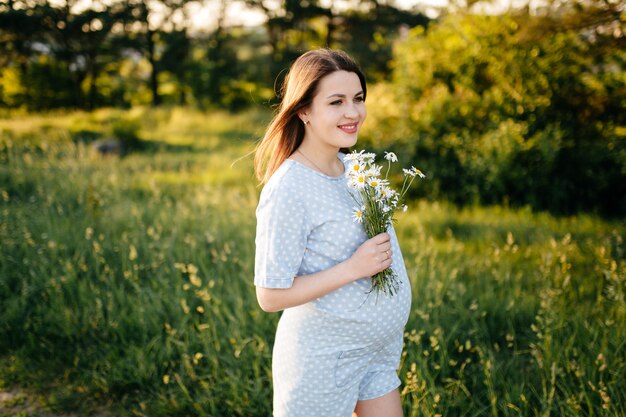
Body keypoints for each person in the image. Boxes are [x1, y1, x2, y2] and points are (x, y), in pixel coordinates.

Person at [253, 48, 411, 417]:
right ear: (304, 110)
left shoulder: (354, 169)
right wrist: (353, 268)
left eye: (358, 99)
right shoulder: (289, 187)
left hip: (376, 354)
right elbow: (270, 296)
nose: (353, 112)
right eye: (336, 101)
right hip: (324, 360)